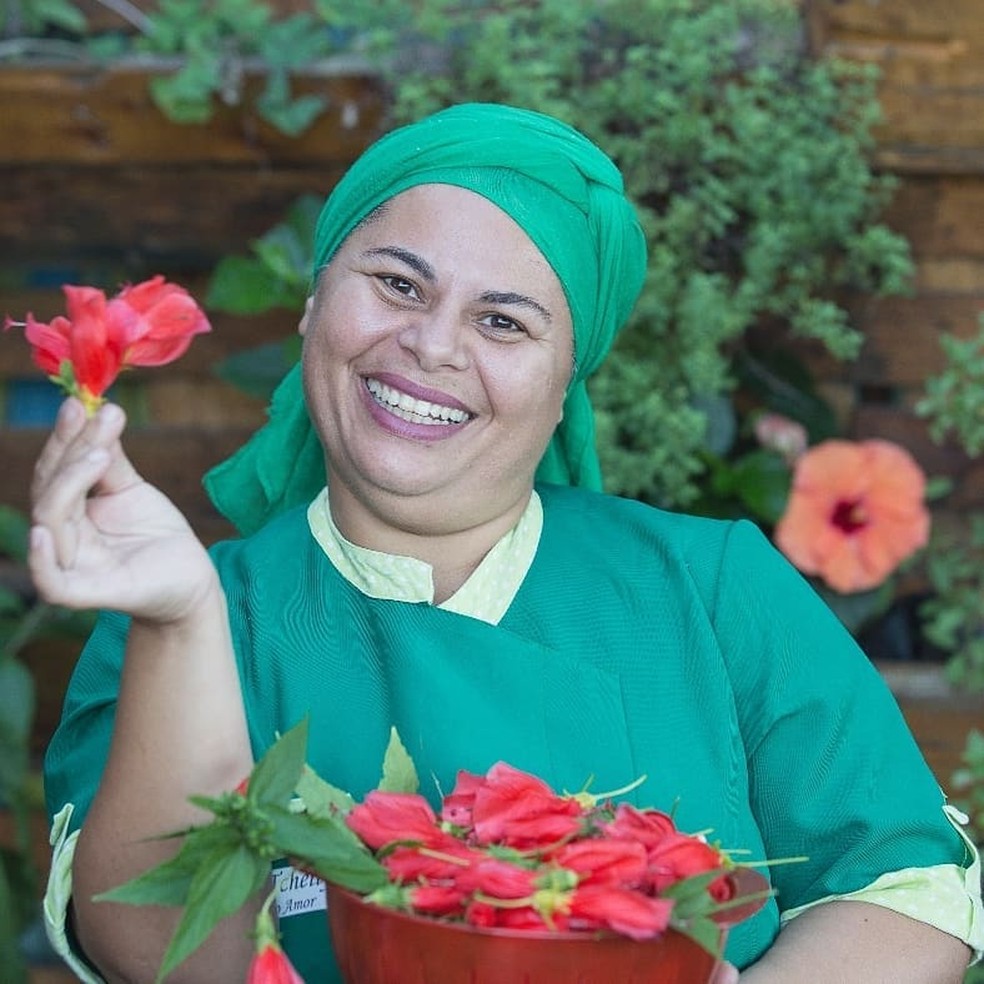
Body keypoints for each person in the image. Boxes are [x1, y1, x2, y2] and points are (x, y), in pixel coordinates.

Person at [32, 103, 982, 984]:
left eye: (502, 321)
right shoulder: (187, 618)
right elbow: (152, 946)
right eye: (398, 284)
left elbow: (908, 887)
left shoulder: (711, 586)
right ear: (314, 303)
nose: (434, 345)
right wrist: (180, 620)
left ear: (566, 379)